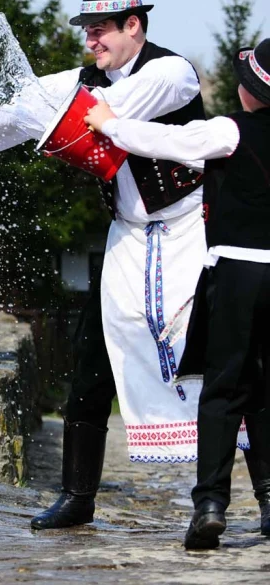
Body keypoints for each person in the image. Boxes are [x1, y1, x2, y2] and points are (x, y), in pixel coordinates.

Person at [0, 0, 260, 529]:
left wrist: (8, 116)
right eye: (87, 31)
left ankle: (268, 495)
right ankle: (77, 495)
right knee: (93, 355)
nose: (91, 40)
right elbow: (28, 102)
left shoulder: (171, 72)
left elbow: (94, 112)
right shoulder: (84, 77)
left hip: (189, 232)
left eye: (101, 30)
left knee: (228, 361)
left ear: (133, 25)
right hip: (129, 236)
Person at [83, 37, 270, 549]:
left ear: (248, 89)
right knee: (265, 386)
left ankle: (210, 505)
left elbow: (170, 142)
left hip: (238, 271)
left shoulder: (231, 129)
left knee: (223, 388)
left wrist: (109, 124)